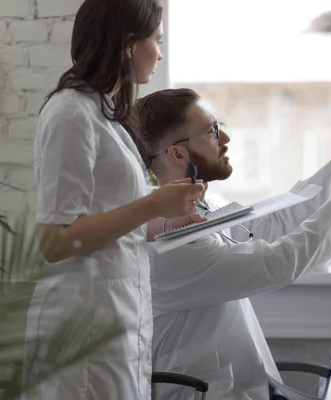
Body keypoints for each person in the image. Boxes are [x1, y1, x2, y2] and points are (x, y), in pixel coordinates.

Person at [131, 88, 331, 400]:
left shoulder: (202, 207)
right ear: (177, 154)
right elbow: (277, 263)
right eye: (212, 132)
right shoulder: (171, 242)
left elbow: (271, 224)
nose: (226, 139)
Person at [23, 1, 205, 399]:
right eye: (156, 41)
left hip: (113, 317)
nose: (160, 53)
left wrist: (172, 218)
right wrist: (153, 205)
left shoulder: (105, 113)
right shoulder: (70, 113)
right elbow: (55, 240)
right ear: (127, 44)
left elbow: (115, 222)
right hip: (82, 322)